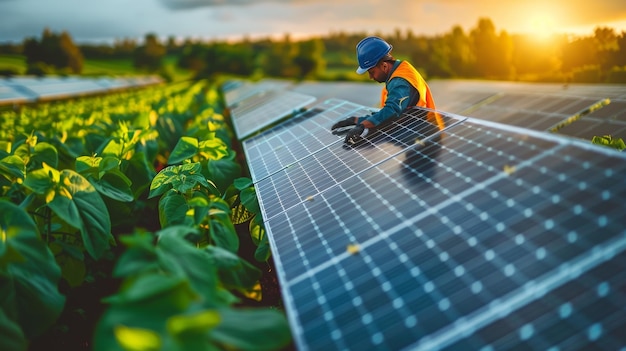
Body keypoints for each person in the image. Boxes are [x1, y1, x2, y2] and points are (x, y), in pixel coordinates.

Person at [331, 36, 445, 145]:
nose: (371, 77)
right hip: (419, 136)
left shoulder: (400, 82)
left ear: (384, 66)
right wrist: (356, 120)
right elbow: (389, 114)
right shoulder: (400, 70)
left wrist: (362, 126)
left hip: (426, 140)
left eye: (371, 72)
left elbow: (391, 111)